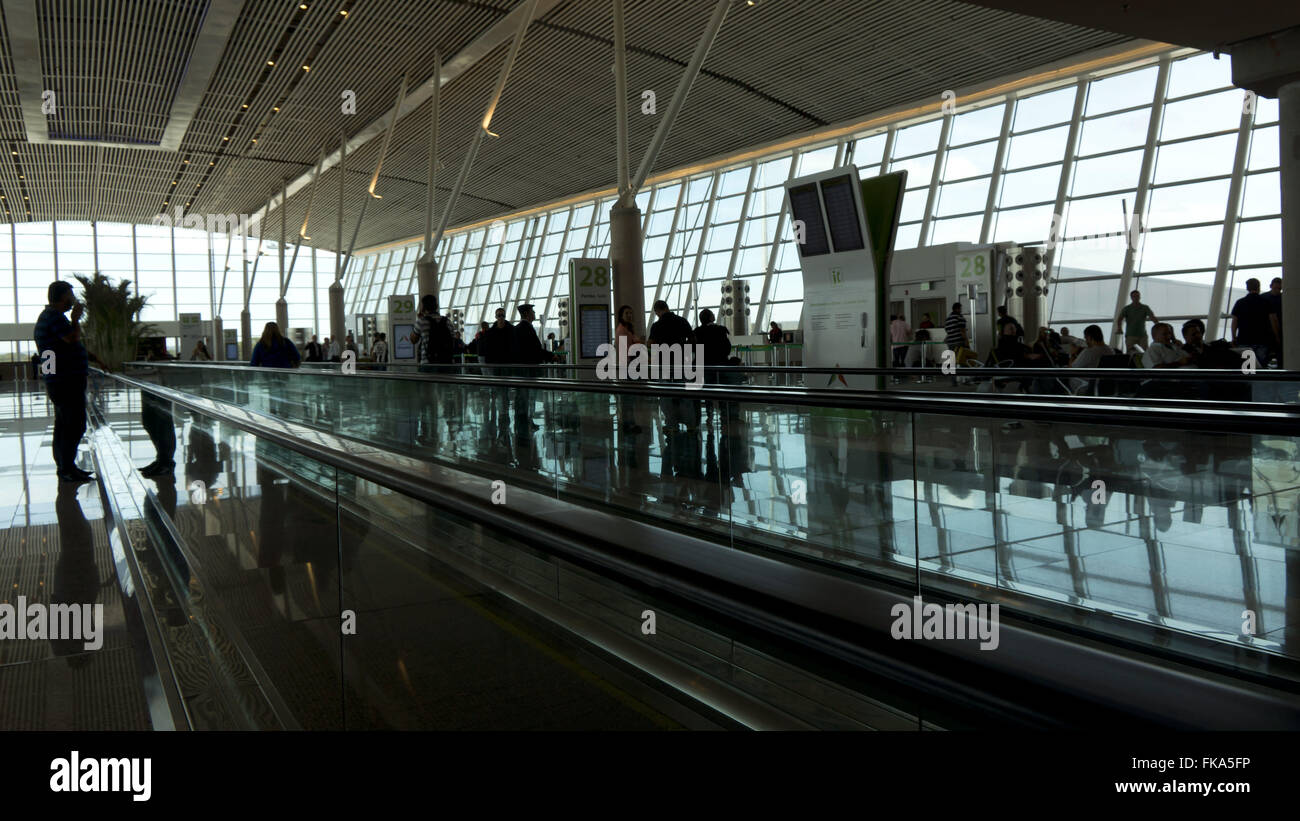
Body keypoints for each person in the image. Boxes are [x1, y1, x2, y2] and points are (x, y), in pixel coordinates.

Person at [34, 281, 94, 483]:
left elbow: (58, 350)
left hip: (59, 380)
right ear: (61, 297)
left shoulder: (49, 317)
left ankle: (66, 466)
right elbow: (72, 339)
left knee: (63, 425)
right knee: (74, 425)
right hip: (66, 381)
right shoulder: (54, 318)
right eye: (70, 295)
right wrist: (75, 320)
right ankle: (67, 468)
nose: (72, 300)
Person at [509, 303, 551, 431]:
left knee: (521, 397)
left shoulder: (516, 329)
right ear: (527, 314)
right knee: (526, 397)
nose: (534, 314)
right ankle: (526, 423)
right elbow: (535, 349)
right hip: (528, 369)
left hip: (519, 369)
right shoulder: (527, 328)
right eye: (532, 311)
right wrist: (551, 356)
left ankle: (522, 423)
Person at [1230, 277, 1274, 366]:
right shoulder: (1266, 302)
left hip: (1244, 339)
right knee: (1260, 366)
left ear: (1247, 288)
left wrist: (1234, 337)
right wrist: (1276, 337)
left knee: (1247, 367)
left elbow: (1235, 322)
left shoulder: (1240, 302)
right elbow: (1273, 321)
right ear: (1259, 288)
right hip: (1262, 340)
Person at [410, 295, 453, 367]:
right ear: (436, 306)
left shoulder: (421, 322)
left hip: (428, 363)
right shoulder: (447, 322)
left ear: (423, 307)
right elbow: (453, 339)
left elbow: (413, 340)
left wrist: (420, 319)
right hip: (446, 363)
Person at [694, 308, 731, 384]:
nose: (714, 315)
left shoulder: (697, 331)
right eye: (712, 314)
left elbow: (693, 347)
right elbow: (727, 348)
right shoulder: (720, 330)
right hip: (720, 364)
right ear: (710, 318)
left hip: (702, 365)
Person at [1262, 276, 1283, 366]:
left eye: (1279, 289)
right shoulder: (1283, 298)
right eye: (1276, 288)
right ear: (1271, 286)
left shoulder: (1263, 297)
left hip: (1268, 330)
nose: (1277, 290)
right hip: (1271, 331)